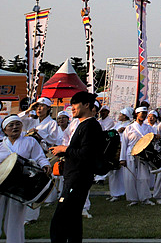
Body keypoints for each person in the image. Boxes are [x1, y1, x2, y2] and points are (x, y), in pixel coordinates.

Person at [49, 91, 106, 243]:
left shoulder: (90, 125)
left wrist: (64, 149)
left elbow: (86, 153)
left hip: (78, 178)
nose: (72, 108)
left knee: (59, 220)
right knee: (73, 219)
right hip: (74, 176)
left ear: (86, 105)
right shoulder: (83, 124)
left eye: (75, 104)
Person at [0, 115, 49, 243]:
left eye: (17, 124)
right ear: (5, 130)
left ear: (22, 126)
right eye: (11, 125)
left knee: (15, 217)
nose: (15, 127)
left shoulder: (30, 141)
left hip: (20, 185)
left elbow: (40, 156)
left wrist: (45, 164)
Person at [121, 105, 154, 206]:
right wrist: (122, 158)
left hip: (144, 154)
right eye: (142, 113)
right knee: (130, 177)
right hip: (130, 153)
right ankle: (133, 199)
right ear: (137, 114)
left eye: (145, 114)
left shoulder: (148, 127)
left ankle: (145, 198)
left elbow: (152, 140)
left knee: (144, 176)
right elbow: (124, 143)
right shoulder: (129, 128)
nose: (144, 116)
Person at [106, 108, 132, 202]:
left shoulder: (129, 125)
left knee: (121, 173)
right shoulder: (118, 124)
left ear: (125, 116)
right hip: (113, 149)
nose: (119, 115)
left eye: (121, 114)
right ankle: (114, 193)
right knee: (113, 173)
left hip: (121, 150)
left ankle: (121, 192)